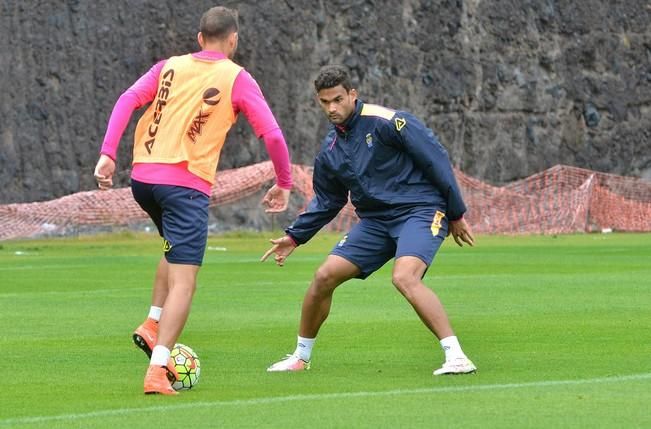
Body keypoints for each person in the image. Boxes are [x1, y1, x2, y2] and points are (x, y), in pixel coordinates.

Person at [94, 6, 292, 395]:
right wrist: (283, 182)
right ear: (233, 40)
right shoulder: (237, 77)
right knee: (186, 282)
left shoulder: (169, 66)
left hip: (143, 179)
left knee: (172, 249)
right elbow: (272, 134)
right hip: (184, 186)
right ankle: (157, 369)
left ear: (200, 39)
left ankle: (152, 323)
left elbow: (126, 100)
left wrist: (108, 153)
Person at [261, 65, 476, 376]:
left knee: (404, 277)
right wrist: (295, 236)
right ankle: (300, 357)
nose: (332, 108)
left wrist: (455, 213)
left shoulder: (389, 121)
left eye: (337, 99)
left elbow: (436, 159)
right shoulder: (331, 149)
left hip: (420, 210)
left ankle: (456, 356)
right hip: (376, 222)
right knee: (323, 277)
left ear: (352, 94)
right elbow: (328, 200)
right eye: (324, 102)